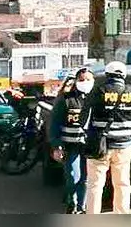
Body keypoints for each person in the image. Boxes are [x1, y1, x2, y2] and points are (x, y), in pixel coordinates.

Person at [82, 61, 131, 215]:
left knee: (95, 185)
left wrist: (90, 137)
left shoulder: (97, 92)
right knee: (122, 184)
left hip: (99, 145)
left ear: (107, 75)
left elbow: (83, 120)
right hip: (124, 146)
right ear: (123, 75)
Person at [48, 67, 94, 214]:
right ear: (76, 81)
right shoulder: (66, 99)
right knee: (73, 176)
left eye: (88, 79)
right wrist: (57, 146)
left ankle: (81, 207)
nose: (85, 82)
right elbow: (55, 124)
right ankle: (72, 201)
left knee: (86, 179)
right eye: (81, 79)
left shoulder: (96, 99)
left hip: (89, 147)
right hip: (70, 146)